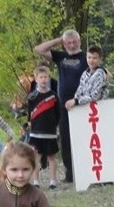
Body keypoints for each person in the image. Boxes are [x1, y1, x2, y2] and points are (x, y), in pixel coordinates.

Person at [35, 29, 86, 183]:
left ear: (79, 41)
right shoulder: (61, 57)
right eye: (68, 42)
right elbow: (39, 49)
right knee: (66, 139)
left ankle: (85, 170)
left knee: (83, 138)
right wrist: (59, 40)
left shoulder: (85, 57)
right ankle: (70, 173)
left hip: (82, 103)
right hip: (64, 105)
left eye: (74, 42)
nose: (71, 45)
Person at [27, 65, 60, 189]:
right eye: (41, 77)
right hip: (36, 132)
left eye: (45, 77)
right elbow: (29, 113)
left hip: (50, 132)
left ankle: (52, 181)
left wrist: (54, 125)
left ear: (49, 78)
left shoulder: (54, 95)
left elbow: (58, 113)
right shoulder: (32, 97)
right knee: (36, 156)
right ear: (36, 79)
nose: (43, 79)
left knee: (51, 156)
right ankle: (35, 181)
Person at [64, 45, 109, 112]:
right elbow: (80, 90)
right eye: (89, 57)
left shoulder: (100, 73)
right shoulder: (85, 73)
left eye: (94, 58)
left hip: (98, 109)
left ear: (100, 60)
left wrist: (76, 101)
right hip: (84, 108)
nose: (91, 60)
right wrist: (74, 100)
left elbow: (95, 96)